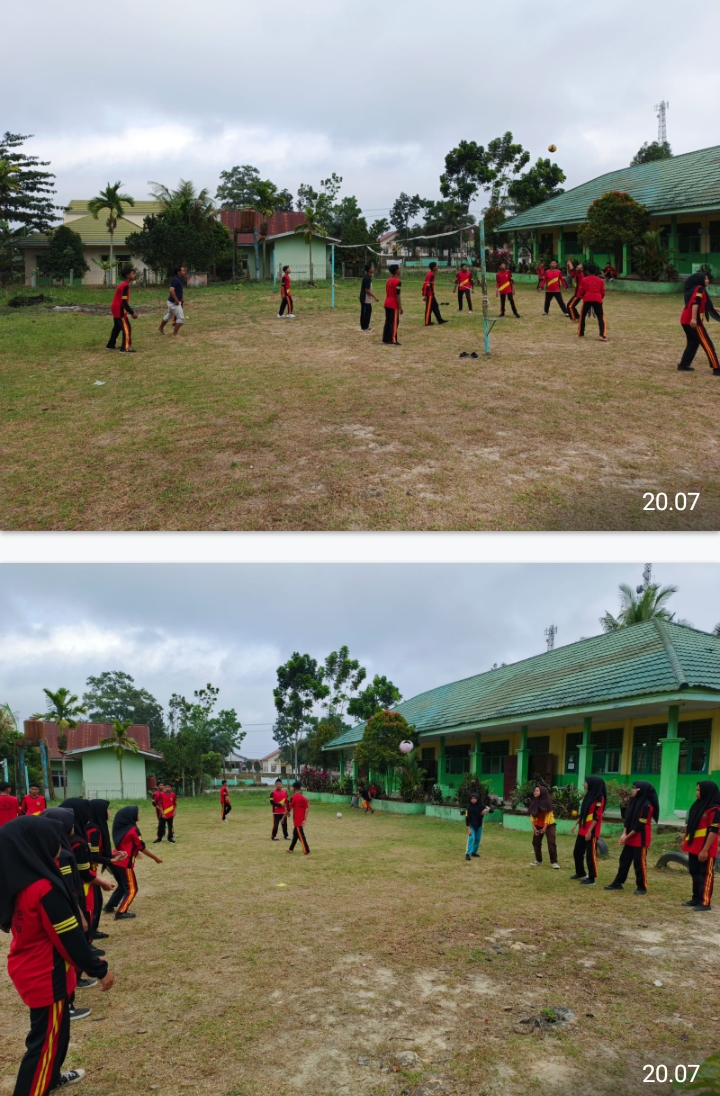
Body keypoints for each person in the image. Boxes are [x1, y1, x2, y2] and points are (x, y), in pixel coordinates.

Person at [0, 816, 114, 1095]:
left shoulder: (20, 879)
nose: (59, 844)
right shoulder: (44, 888)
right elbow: (70, 940)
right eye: (53, 840)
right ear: (36, 845)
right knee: (42, 1044)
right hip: (45, 975)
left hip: (32, 969)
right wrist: (99, 968)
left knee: (58, 1032)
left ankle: (50, 1078)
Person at [105, 806, 162, 919]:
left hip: (115, 861)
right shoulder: (133, 830)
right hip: (124, 863)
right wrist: (155, 858)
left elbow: (129, 845)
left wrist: (135, 852)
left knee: (122, 885)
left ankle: (110, 905)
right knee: (132, 889)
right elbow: (141, 847)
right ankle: (121, 912)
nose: (139, 815)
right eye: (137, 813)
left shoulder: (122, 828)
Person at [604, 781, 660, 894]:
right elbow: (628, 819)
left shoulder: (647, 806)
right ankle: (618, 882)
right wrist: (624, 834)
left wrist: (626, 837)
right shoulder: (634, 802)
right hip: (630, 837)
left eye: (635, 788)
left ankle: (642, 887)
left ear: (641, 790)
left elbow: (640, 825)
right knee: (624, 860)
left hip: (641, 838)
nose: (632, 790)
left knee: (639, 863)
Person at [681, 780, 720, 910]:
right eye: (697, 789)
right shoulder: (697, 805)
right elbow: (690, 824)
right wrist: (684, 839)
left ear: (706, 791)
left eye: (699, 790)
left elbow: (714, 831)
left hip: (705, 849)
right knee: (694, 872)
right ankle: (695, 898)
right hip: (694, 847)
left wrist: (705, 850)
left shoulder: (715, 810)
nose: (696, 792)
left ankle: (705, 902)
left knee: (705, 874)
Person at [677, 272, 720, 374]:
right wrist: (694, 319)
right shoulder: (700, 288)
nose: (707, 280)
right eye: (705, 279)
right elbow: (695, 303)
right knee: (707, 344)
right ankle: (717, 368)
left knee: (693, 343)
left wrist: (718, 309)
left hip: (685, 320)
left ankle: (683, 365)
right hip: (693, 322)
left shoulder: (695, 289)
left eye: (707, 279)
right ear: (700, 280)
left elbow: (705, 305)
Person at [570, 775, 607, 885]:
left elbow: (597, 816)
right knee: (577, 852)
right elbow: (585, 813)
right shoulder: (589, 795)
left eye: (587, 783)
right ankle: (581, 873)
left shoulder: (600, 797)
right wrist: (576, 824)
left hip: (592, 830)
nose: (585, 784)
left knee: (591, 855)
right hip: (583, 828)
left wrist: (590, 831)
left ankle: (592, 878)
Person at [106, 267, 138, 353]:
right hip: (119, 308)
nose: (133, 275)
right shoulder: (125, 286)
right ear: (128, 276)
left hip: (116, 307)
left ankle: (110, 345)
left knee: (117, 327)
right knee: (126, 327)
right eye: (132, 273)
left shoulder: (124, 285)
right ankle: (125, 348)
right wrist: (132, 312)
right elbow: (123, 302)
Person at [528, 784, 559, 868]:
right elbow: (532, 814)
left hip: (549, 824)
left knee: (551, 842)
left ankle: (554, 862)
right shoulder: (534, 802)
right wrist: (534, 827)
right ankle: (538, 860)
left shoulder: (547, 802)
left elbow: (548, 815)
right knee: (536, 842)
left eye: (537, 791)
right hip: (538, 824)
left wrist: (545, 827)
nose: (535, 792)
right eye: (535, 791)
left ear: (542, 792)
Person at [576, 264, 608, 340]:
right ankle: (602, 335)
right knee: (601, 318)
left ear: (587, 271)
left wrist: (583, 297)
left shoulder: (584, 279)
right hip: (597, 299)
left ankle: (580, 333)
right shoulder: (600, 280)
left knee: (582, 316)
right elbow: (603, 292)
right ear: (596, 271)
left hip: (587, 299)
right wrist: (600, 298)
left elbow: (581, 292)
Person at [159, 265, 186, 336]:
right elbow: (171, 290)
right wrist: (176, 300)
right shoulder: (176, 280)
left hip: (172, 302)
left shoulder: (180, 279)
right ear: (178, 272)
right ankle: (175, 334)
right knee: (181, 318)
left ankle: (160, 328)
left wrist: (181, 297)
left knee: (169, 315)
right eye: (183, 271)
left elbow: (178, 290)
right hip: (174, 302)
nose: (184, 272)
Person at [463, 790, 490, 861]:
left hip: (479, 826)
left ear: (477, 799)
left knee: (477, 839)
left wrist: (485, 810)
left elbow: (491, 809)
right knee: (471, 838)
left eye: (474, 798)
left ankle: (474, 852)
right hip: (472, 826)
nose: (473, 800)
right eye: (472, 798)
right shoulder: (468, 808)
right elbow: (467, 819)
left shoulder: (482, 805)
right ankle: (468, 854)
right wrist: (468, 828)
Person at [422, 261, 448, 326]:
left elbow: (425, 283)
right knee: (429, 308)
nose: (437, 267)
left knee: (435, 306)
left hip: (431, 293)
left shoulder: (430, 274)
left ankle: (440, 320)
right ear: (433, 268)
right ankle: (427, 322)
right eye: (436, 266)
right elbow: (427, 284)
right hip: (429, 294)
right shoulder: (431, 275)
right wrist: (425, 295)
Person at [382, 264, 403, 345]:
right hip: (393, 304)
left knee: (388, 321)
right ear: (396, 271)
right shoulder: (398, 281)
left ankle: (386, 338)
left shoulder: (388, 280)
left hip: (387, 302)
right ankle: (393, 339)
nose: (400, 270)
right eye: (399, 269)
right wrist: (400, 307)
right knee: (394, 322)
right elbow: (397, 295)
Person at [287, 781, 310, 854]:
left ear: (294, 789)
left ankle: (306, 850)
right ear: (299, 789)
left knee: (301, 836)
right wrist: (305, 820)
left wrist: (287, 814)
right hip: (301, 819)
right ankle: (291, 849)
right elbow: (306, 810)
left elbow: (289, 809)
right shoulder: (304, 798)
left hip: (297, 820)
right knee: (295, 835)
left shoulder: (293, 798)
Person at [359, 262, 378, 331]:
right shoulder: (367, 278)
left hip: (367, 298)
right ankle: (364, 327)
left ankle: (365, 326)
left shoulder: (368, 277)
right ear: (369, 270)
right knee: (366, 312)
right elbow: (367, 290)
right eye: (372, 267)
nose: (373, 268)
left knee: (368, 311)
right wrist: (375, 297)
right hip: (365, 299)